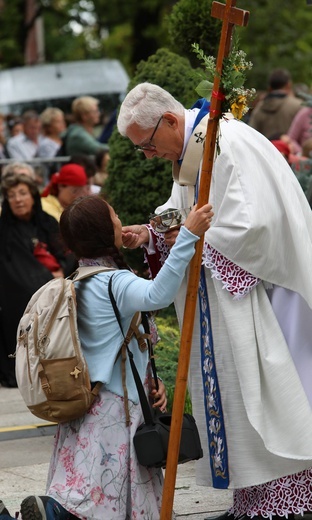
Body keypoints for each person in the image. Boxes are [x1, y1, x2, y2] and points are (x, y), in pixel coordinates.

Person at [116, 82, 312, 520]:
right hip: (219, 300)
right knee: (234, 399)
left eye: (146, 145)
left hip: (256, 300)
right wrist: (152, 233)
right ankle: (250, 500)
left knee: (263, 399)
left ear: (168, 121)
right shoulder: (193, 147)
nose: (147, 156)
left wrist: (195, 238)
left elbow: (257, 226)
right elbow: (183, 209)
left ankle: (280, 502)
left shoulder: (224, 144)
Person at [0, 194, 213, 520]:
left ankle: (47, 513)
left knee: (82, 490)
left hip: (85, 405)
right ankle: (57, 515)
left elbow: (116, 342)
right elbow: (160, 293)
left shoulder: (77, 282)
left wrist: (150, 378)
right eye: (114, 217)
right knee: (106, 499)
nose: (119, 221)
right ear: (104, 231)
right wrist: (188, 236)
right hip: (116, 413)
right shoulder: (116, 282)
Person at [0, 173, 69, 388]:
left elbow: (67, 253)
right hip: (16, 295)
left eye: (22, 193)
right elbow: (13, 268)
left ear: (33, 196)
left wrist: (61, 271)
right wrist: (47, 278)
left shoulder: (47, 223)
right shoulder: (4, 230)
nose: (18, 199)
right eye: (12, 195)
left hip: (54, 289)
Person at [248, 68, 302, 139]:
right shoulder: (298, 105)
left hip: (264, 149)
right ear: (288, 85)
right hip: (289, 149)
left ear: (270, 87)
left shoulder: (260, 106)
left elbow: (251, 133)